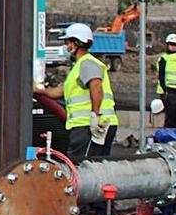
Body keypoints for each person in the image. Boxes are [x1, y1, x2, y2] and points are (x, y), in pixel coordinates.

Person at [35, 23, 118, 161]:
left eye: (68, 42)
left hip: (90, 126)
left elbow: (96, 87)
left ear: (78, 43)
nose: (66, 47)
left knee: (84, 166)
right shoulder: (78, 67)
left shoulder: (87, 63)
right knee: (90, 165)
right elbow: (59, 92)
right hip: (87, 125)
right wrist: (38, 90)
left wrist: (95, 116)